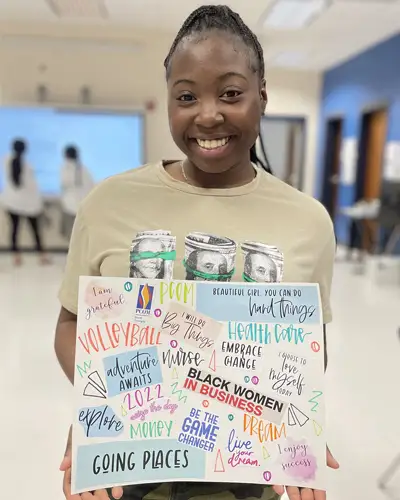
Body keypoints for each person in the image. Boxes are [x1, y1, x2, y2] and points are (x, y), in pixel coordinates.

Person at [55, 5, 339, 500]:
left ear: (262, 97)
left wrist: (298, 423)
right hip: (133, 464)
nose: (208, 113)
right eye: (186, 96)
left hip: (250, 467)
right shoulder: (108, 204)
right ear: (168, 102)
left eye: (231, 93)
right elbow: (71, 325)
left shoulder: (309, 220)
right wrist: (96, 411)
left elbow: (306, 345)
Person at [1, 138, 49, 265]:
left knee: (14, 229)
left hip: (11, 201)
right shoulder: (27, 166)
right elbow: (32, 187)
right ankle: (42, 256)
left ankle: (16, 257)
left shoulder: (6, 160)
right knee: (35, 230)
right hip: (29, 204)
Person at [60, 145, 94, 239]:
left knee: (71, 234)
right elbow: (91, 186)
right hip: (82, 205)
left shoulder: (65, 168)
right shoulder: (84, 169)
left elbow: (63, 184)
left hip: (69, 206)